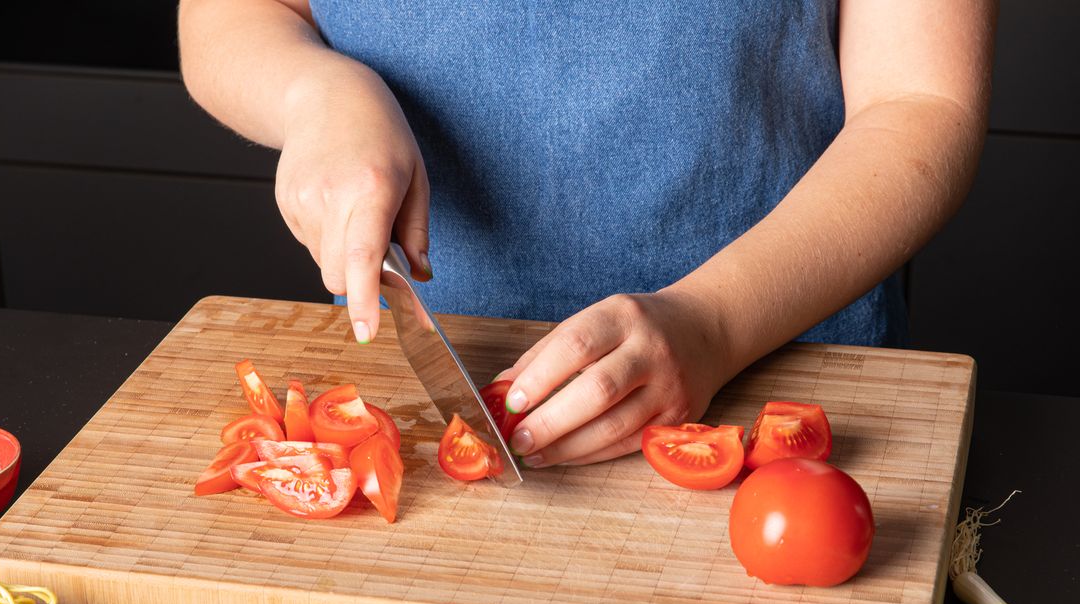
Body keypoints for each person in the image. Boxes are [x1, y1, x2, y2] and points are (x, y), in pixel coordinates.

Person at [177, 0, 995, 469]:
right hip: (415, 398)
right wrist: (317, 94)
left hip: (783, 398)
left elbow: (923, 103)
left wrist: (715, 322)